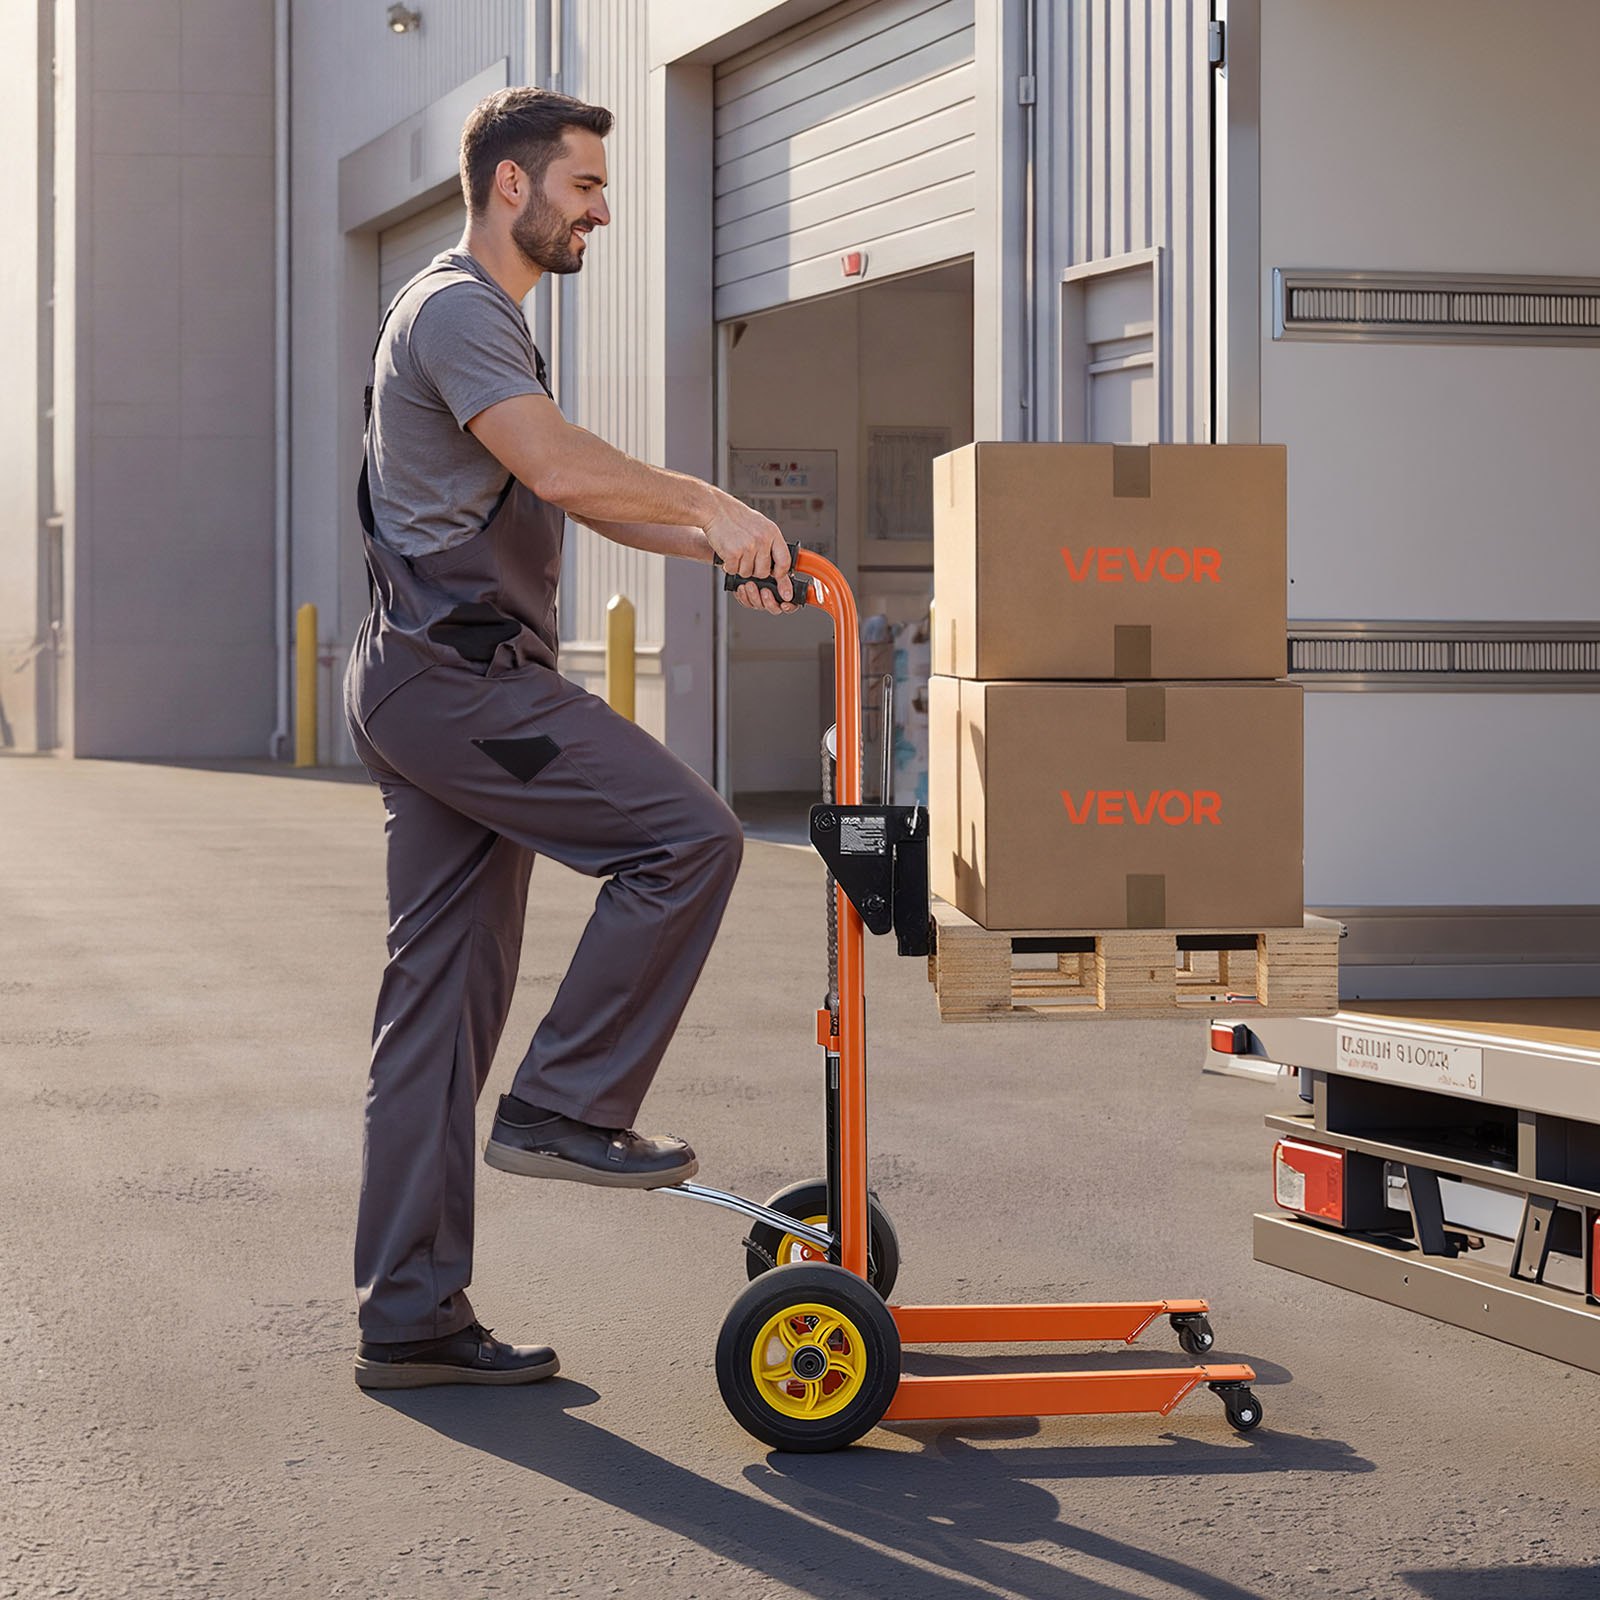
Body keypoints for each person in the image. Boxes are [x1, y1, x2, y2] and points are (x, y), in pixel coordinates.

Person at [345, 86, 796, 1391]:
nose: (601, 210)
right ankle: (567, 1103)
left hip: (428, 682)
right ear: (512, 185)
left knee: (438, 1009)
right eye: (585, 186)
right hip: (464, 687)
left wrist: (721, 546)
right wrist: (713, 500)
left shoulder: (475, 319)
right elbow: (557, 467)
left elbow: (588, 500)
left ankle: (412, 1317)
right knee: (688, 839)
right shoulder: (457, 310)